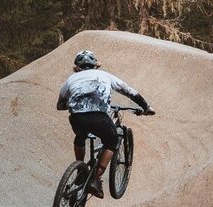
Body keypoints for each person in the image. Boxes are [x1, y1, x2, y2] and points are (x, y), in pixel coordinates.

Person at [57, 50, 154, 198]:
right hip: (99, 117)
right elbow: (128, 91)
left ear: (76, 67)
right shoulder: (105, 75)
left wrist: (76, 103)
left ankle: (80, 170)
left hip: (77, 119)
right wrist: (146, 107)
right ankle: (95, 178)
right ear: (96, 65)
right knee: (112, 140)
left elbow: (60, 105)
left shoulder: (70, 80)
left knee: (80, 136)